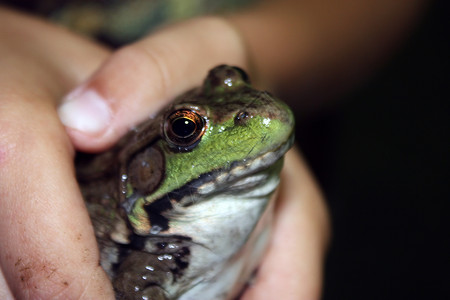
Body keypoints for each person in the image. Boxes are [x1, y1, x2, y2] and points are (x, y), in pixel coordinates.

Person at [0, 0, 430, 299]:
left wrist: (257, 49)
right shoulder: (146, 262)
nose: (255, 112)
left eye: (239, 78)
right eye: (187, 128)